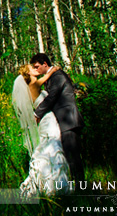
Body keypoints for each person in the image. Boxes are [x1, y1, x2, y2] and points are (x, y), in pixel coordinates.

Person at [12, 63, 70, 197]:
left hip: (48, 119)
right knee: (52, 143)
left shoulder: (33, 85)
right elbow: (42, 82)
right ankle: (49, 184)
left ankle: (53, 182)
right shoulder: (33, 84)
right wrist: (51, 71)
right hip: (47, 120)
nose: (36, 69)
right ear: (28, 72)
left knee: (51, 146)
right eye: (33, 68)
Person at [31, 53, 85, 183]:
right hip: (63, 121)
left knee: (73, 156)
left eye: (37, 66)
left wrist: (37, 114)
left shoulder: (58, 76)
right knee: (69, 155)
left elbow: (52, 96)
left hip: (69, 121)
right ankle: (76, 184)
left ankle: (80, 187)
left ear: (45, 64)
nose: (36, 69)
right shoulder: (52, 76)